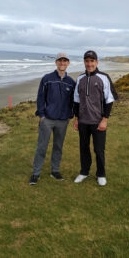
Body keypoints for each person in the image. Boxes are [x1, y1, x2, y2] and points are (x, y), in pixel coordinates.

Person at [73, 50, 118, 186]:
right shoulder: (80, 79)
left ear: (97, 62)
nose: (89, 64)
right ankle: (84, 172)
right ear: (84, 62)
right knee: (83, 148)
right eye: (87, 61)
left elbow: (109, 100)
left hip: (98, 122)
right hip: (83, 121)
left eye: (92, 61)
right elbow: (76, 101)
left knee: (99, 150)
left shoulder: (104, 77)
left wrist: (105, 119)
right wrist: (76, 119)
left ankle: (101, 174)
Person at [29, 53, 75, 185]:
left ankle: (55, 171)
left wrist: (69, 116)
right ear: (56, 63)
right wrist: (42, 115)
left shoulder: (71, 82)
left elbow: (73, 101)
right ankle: (35, 173)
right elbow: (40, 98)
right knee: (41, 147)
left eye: (65, 61)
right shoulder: (47, 79)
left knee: (58, 147)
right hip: (47, 120)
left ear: (68, 63)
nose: (62, 63)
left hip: (62, 121)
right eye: (60, 61)